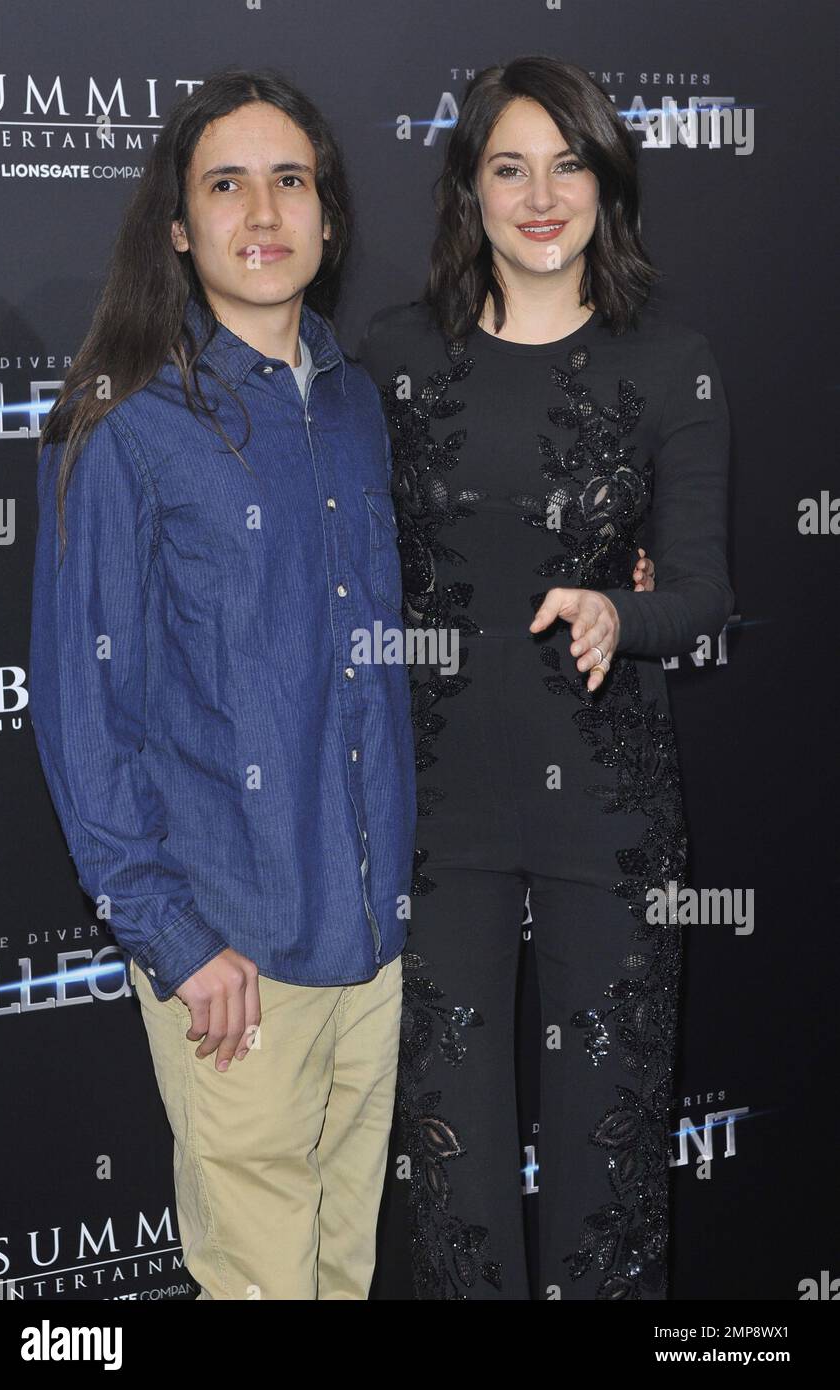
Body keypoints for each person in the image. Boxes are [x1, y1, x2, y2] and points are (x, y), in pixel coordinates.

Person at [28, 69, 416, 1301]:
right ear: (179, 226)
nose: (263, 209)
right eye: (226, 183)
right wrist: (178, 941)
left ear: (328, 217)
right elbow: (85, 713)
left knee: (341, 1278)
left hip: (371, 939)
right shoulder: (125, 421)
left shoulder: (353, 406)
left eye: (289, 180)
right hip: (232, 960)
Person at [358, 54, 733, 1300]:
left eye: (565, 164)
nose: (538, 194)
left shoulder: (667, 362)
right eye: (507, 166)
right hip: (435, 815)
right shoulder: (393, 358)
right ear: (467, 188)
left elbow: (700, 595)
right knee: (454, 1182)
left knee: (608, 1170)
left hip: (608, 813)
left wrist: (615, 611)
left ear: (604, 183)